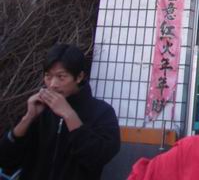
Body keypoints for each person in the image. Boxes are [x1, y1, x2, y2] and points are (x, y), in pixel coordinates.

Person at [0, 44, 120, 180]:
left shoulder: (102, 112)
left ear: (79, 77)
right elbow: (5, 159)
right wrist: (28, 118)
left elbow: (98, 157)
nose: (53, 84)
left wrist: (69, 115)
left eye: (61, 76)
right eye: (48, 76)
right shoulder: (39, 109)